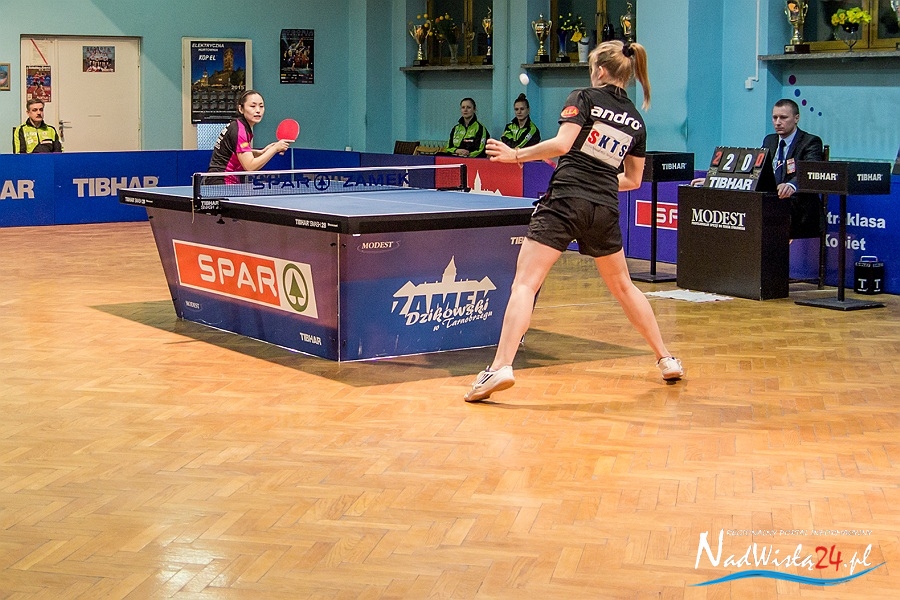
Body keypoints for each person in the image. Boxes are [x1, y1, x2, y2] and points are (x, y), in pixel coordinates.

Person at [463, 40, 684, 403]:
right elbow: (633, 180)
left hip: (565, 201)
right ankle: (666, 358)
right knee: (624, 287)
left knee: (526, 283)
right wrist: (596, 180)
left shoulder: (583, 97)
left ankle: (500, 367)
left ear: (600, 70)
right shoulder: (636, 120)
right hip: (604, 207)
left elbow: (563, 144)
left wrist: (515, 155)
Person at [762, 98, 825, 239]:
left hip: (797, 204)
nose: (778, 122)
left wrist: (791, 185)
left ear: (796, 118)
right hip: (771, 199)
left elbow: (811, 171)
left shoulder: (810, 142)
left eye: (783, 117)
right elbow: (760, 169)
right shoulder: (769, 140)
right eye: (775, 118)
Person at [207, 89, 292, 184]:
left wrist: (262, 152)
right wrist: (275, 149)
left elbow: (235, 152)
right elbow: (250, 167)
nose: (258, 110)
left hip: (222, 180)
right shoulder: (239, 130)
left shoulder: (239, 126)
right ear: (241, 109)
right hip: (221, 181)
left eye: (261, 106)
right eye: (252, 106)